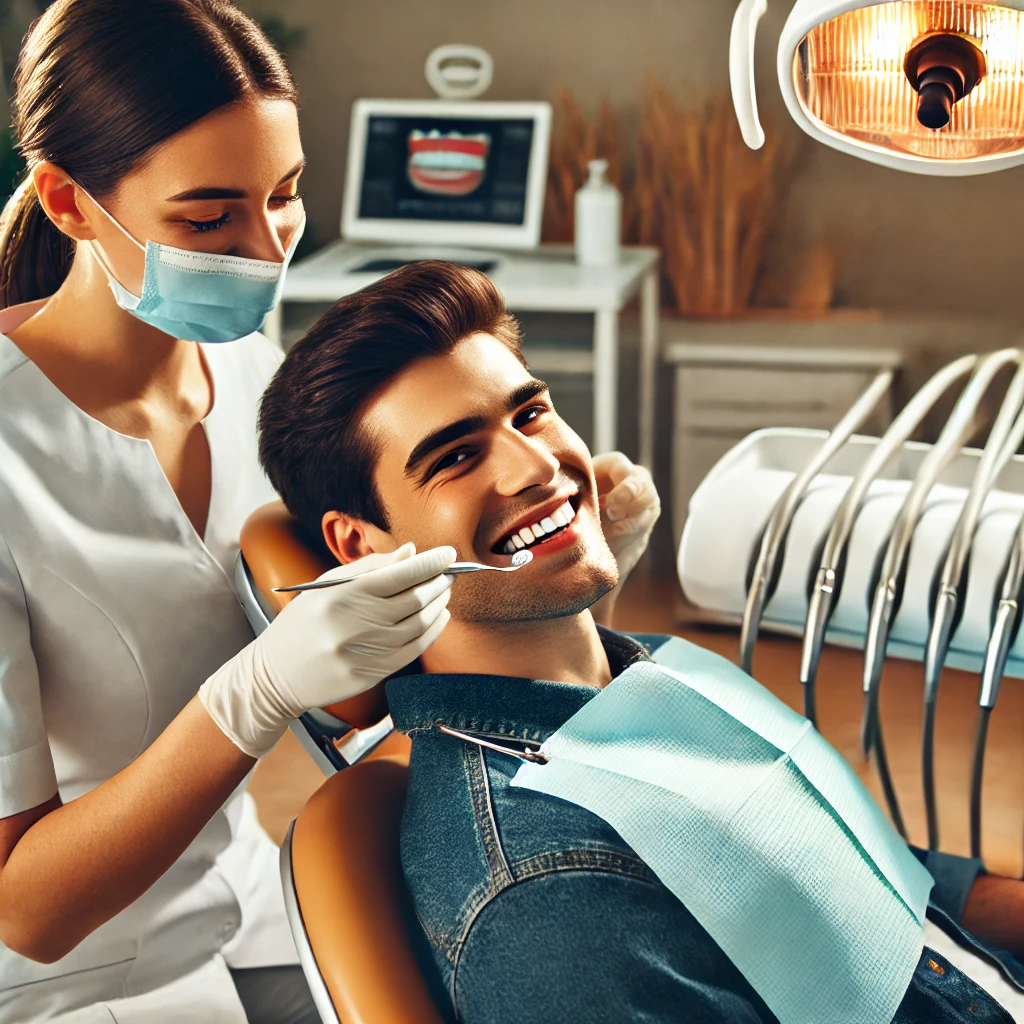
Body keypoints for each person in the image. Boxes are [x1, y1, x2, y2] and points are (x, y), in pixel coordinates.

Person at [259, 260, 1024, 1024]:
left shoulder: (645, 677)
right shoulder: (550, 904)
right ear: (360, 546)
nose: (539, 469)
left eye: (529, 415)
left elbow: (851, 884)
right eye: (457, 457)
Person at [0, 3, 472, 1021]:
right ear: (69, 203)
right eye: (208, 219)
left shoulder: (255, 377)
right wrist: (251, 695)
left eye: (287, 195)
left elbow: (363, 679)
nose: (266, 251)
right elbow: (23, 909)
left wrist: (554, 548)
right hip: (65, 979)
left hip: (246, 909)